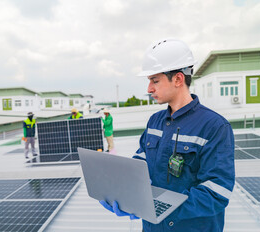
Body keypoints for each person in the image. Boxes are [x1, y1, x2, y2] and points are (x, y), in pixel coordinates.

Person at [100, 38, 235, 232]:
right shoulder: (155, 121)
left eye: (155, 81)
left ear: (178, 79)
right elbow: (140, 162)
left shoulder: (214, 127)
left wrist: (162, 208)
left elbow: (217, 193)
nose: (149, 89)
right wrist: (126, 194)